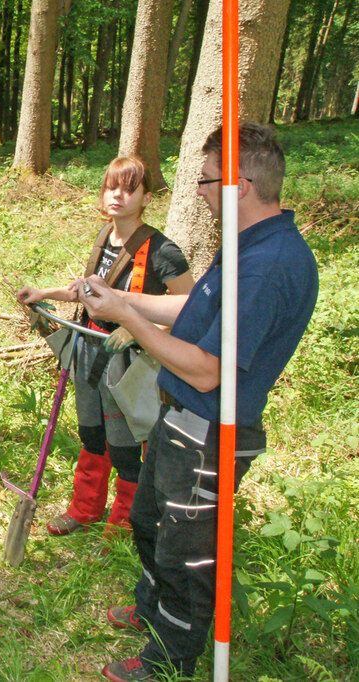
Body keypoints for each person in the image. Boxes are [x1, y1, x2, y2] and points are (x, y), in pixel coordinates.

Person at [79, 124, 318, 682]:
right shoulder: (244, 247)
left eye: (208, 181)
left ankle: (169, 660)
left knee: (184, 554)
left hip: (210, 432)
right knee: (148, 520)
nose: (200, 193)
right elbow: (189, 314)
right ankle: (151, 609)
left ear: (241, 184)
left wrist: (128, 320)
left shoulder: (270, 265)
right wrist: (119, 297)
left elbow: (208, 370)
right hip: (178, 418)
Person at [16, 156, 193, 539]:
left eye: (130, 189)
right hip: (89, 351)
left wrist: (141, 327)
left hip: (130, 364)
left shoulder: (163, 251)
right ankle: (85, 509)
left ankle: (124, 523)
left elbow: (190, 308)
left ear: (147, 198)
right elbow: (87, 290)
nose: (118, 195)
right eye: (112, 187)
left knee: (126, 444)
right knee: (92, 435)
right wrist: (45, 293)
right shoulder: (104, 236)